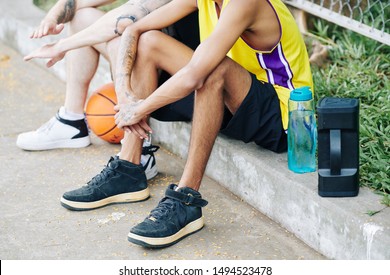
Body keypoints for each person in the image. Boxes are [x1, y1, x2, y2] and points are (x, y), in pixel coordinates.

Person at [27, 0, 313, 248]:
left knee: (213, 68)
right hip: (238, 103)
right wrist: (124, 92)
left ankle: (186, 199)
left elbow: (194, 74)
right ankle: (129, 168)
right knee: (150, 40)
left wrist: (140, 108)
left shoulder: (244, 3)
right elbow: (133, 29)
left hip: (284, 117)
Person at [19, 0, 199, 180]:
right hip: (164, 68)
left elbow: (128, 19)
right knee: (83, 17)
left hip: (191, 86)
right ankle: (71, 121)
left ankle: (139, 148)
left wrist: (62, 46)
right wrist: (53, 15)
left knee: (134, 39)